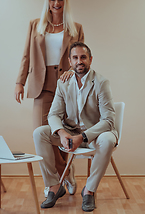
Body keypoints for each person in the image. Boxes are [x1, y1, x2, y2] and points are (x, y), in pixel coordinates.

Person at [14, 0, 84, 196]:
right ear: (48, 1)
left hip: (65, 85)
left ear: (65, 2)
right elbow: (26, 54)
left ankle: (61, 178)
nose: (56, 3)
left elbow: (81, 56)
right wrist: (20, 81)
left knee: (60, 134)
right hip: (40, 84)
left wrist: (73, 72)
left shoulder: (75, 27)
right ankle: (60, 177)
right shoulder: (35, 25)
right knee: (41, 133)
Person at [33, 42, 118, 212]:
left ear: (90, 60)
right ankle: (54, 186)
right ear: (70, 61)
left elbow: (108, 120)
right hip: (70, 132)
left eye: (83, 57)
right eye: (75, 58)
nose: (79, 61)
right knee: (40, 133)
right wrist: (62, 132)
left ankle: (89, 190)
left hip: (95, 134)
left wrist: (84, 137)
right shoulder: (63, 83)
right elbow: (53, 115)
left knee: (108, 139)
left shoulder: (101, 82)